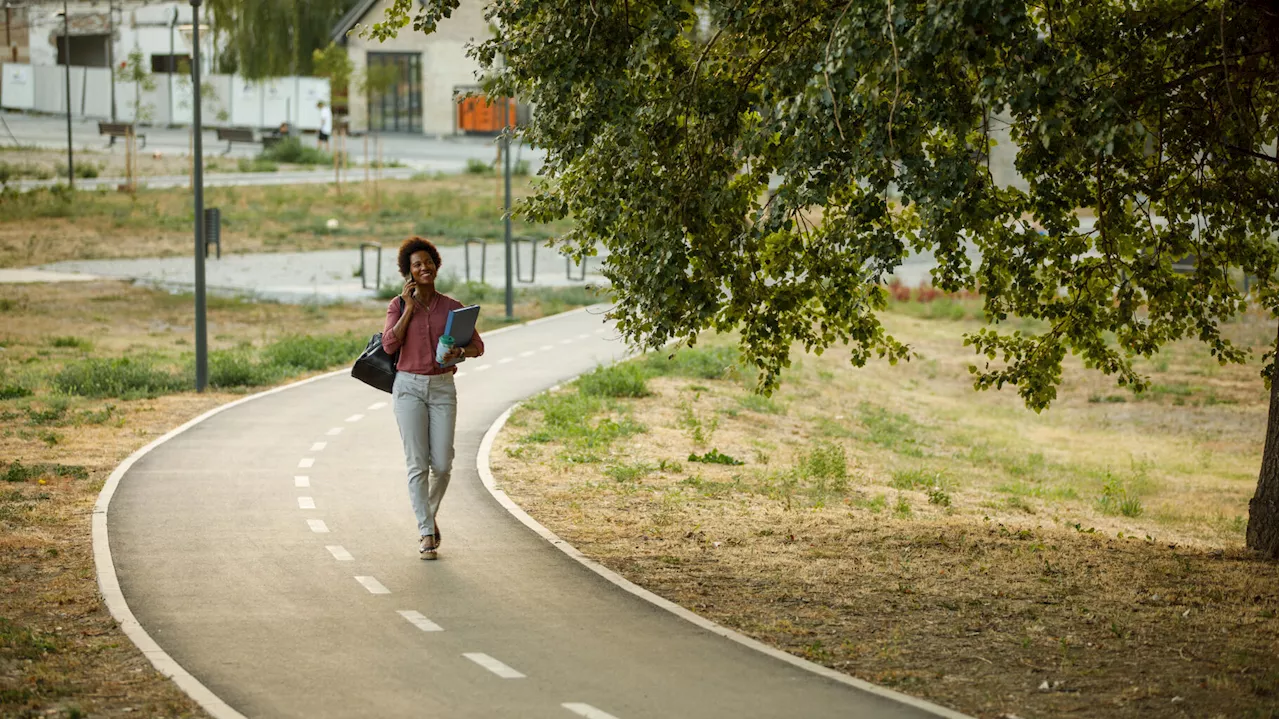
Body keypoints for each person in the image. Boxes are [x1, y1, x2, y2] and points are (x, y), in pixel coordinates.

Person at [381, 236, 484, 560]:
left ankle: (428, 514)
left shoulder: (453, 307)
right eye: (417, 265)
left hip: (442, 388)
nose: (424, 267)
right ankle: (426, 531)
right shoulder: (397, 306)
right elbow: (388, 345)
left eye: (428, 262)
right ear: (408, 273)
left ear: (436, 266)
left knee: (442, 463)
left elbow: (478, 347)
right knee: (417, 464)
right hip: (408, 387)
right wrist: (409, 309)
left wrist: (459, 351)